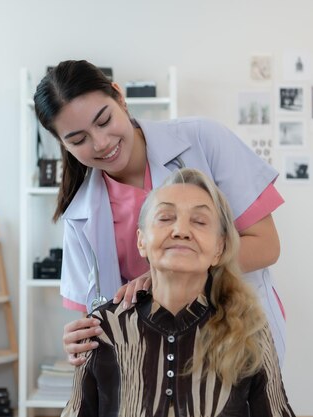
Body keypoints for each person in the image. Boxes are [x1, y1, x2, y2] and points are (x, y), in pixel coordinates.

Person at [33, 59, 288, 366]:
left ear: (119, 96)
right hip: (150, 360)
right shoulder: (79, 215)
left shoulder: (203, 140)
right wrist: (77, 341)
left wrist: (163, 276)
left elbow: (266, 244)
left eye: (103, 121)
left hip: (234, 337)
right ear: (63, 144)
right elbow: (94, 315)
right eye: (78, 140)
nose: (100, 143)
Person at [60, 168, 295, 416]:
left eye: (200, 221)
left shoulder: (249, 328)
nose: (181, 231)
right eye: (165, 218)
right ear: (142, 241)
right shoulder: (103, 328)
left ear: (219, 248)